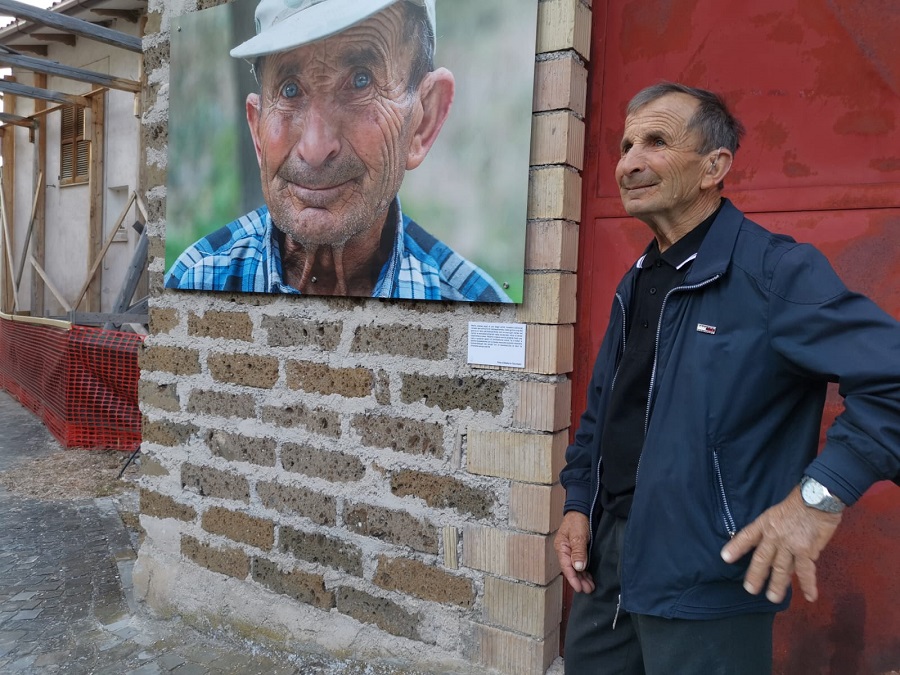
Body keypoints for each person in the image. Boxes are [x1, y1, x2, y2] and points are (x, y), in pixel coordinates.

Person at [555, 82, 900, 674]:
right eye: (626, 146)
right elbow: (605, 409)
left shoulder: (775, 272)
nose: (629, 163)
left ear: (714, 167)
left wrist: (818, 498)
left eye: (656, 142)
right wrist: (579, 503)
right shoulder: (638, 280)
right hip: (607, 566)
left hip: (707, 576)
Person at [165, 0, 510, 302]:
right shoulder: (197, 279)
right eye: (289, 90)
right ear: (258, 131)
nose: (315, 149)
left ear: (423, 121)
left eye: (361, 81)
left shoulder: (472, 306)